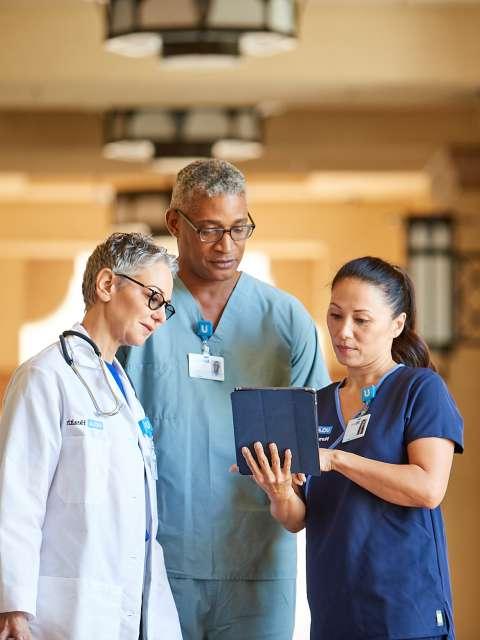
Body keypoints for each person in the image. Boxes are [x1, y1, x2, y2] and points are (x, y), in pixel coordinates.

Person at [117, 159, 330, 640]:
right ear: (175, 223)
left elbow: (317, 439)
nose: (227, 246)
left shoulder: (285, 319)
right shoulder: (136, 313)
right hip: (157, 554)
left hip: (257, 556)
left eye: (240, 229)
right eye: (210, 229)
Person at [242, 256, 463, 640]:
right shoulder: (315, 404)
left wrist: (337, 458)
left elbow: (428, 489)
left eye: (361, 320)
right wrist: (278, 489)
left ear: (397, 324)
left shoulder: (420, 390)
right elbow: (298, 518)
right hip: (334, 615)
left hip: (403, 613)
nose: (343, 332)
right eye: (335, 316)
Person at [0, 233, 182, 640]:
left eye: (165, 306)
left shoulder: (122, 389)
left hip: (131, 610)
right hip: (65, 612)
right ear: (106, 285)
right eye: (153, 297)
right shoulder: (45, 376)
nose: (159, 315)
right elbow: (16, 500)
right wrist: (13, 606)